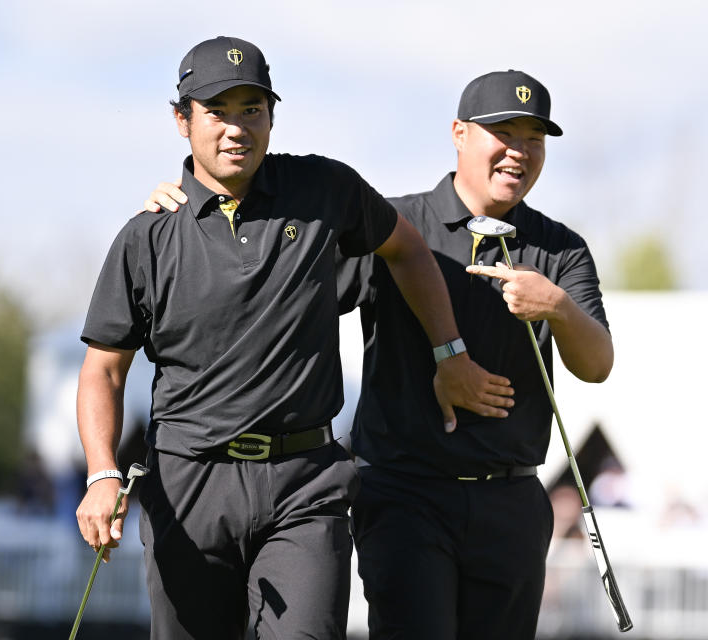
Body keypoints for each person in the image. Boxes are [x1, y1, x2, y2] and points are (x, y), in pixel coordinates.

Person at [145, 70, 613, 638]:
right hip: (404, 495)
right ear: (460, 134)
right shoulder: (395, 225)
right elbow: (272, 289)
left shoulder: (561, 249)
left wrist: (559, 306)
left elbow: (597, 365)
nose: (518, 152)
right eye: (503, 133)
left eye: (533, 139)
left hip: (512, 499)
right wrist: (196, 199)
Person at [76, 37, 509, 640]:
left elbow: (407, 249)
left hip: (305, 482)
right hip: (189, 484)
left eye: (252, 109)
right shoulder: (146, 237)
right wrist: (102, 475)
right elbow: (104, 371)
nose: (236, 128)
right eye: (217, 111)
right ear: (182, 120)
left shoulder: (325, 190)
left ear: (272, 116)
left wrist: (450, 352)